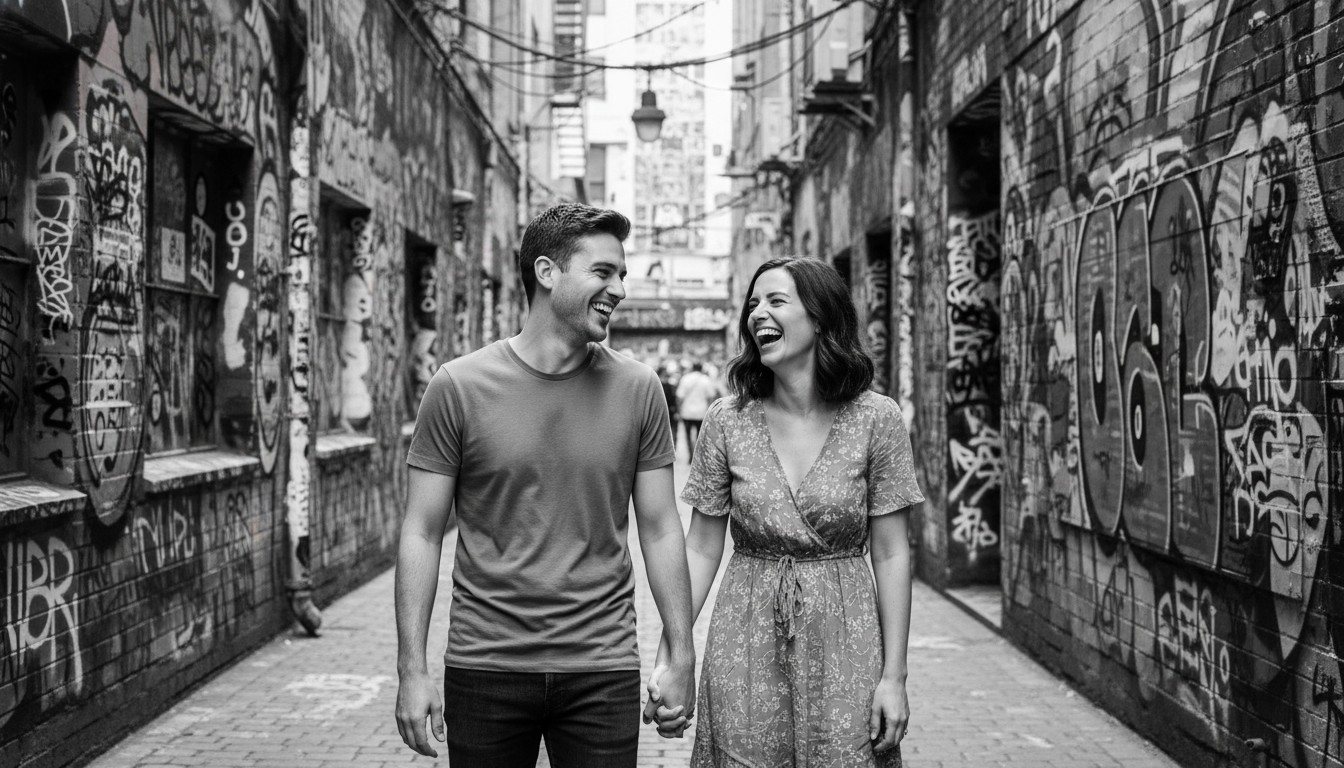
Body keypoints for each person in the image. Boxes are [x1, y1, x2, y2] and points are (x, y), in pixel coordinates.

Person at [395, 203, 697, 767]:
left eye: (622, 274)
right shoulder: (457, 386)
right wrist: (411, 669)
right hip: (486, 662)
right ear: (547, 272)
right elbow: (422, 531)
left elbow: (660, 528)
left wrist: (681, 653)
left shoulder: (639, 388)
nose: (619, 289)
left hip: (602, 665)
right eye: (603, 272)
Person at [646, 257, 923, 766]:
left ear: (819, 318)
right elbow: (701, 549)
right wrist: (673, 656)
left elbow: (890, 553)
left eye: (776, 301)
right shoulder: (727, 421)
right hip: (744, 635)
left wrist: (895, 676)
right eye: (753, 303)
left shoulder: (876, 418)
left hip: (847, 636)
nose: (758, 313)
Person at [676, 361, 720, 461]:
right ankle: (697, 456)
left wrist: (679, 411)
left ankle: (690, 455)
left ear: (692, 368)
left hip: (687, 412)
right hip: (702, 412)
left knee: (687, 435)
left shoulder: (685, 379)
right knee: (700, 436)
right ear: (701, 368)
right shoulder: (706, 380)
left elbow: (679, 396)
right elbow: (711, 396)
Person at [659, 361, 681, 450]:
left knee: (671, 430)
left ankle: (671, 447)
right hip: (666, 411)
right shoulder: (665, 385)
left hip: (668, 411)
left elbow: (674, 399)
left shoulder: (669, 385)